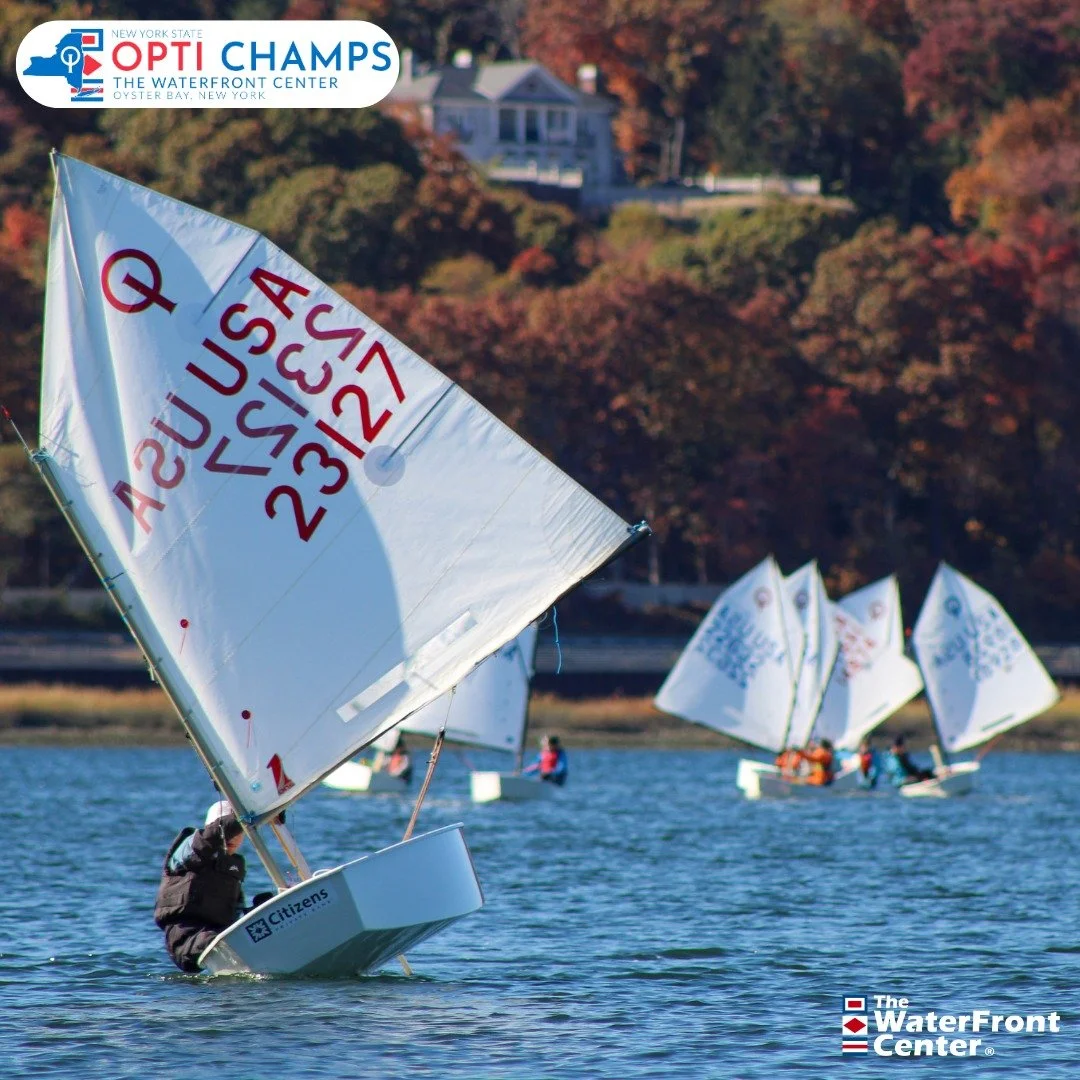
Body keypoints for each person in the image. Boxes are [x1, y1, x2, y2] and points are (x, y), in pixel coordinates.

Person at [154, 799, 250, 973]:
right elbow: (212, 837)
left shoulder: (234, 866)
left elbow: (237, 909)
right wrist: (250, 815)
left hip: (221, 933)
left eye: (239, 833)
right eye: (230, 831)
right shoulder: (188, 847)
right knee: (216, 942)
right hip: (185, 935)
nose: (232, 838)